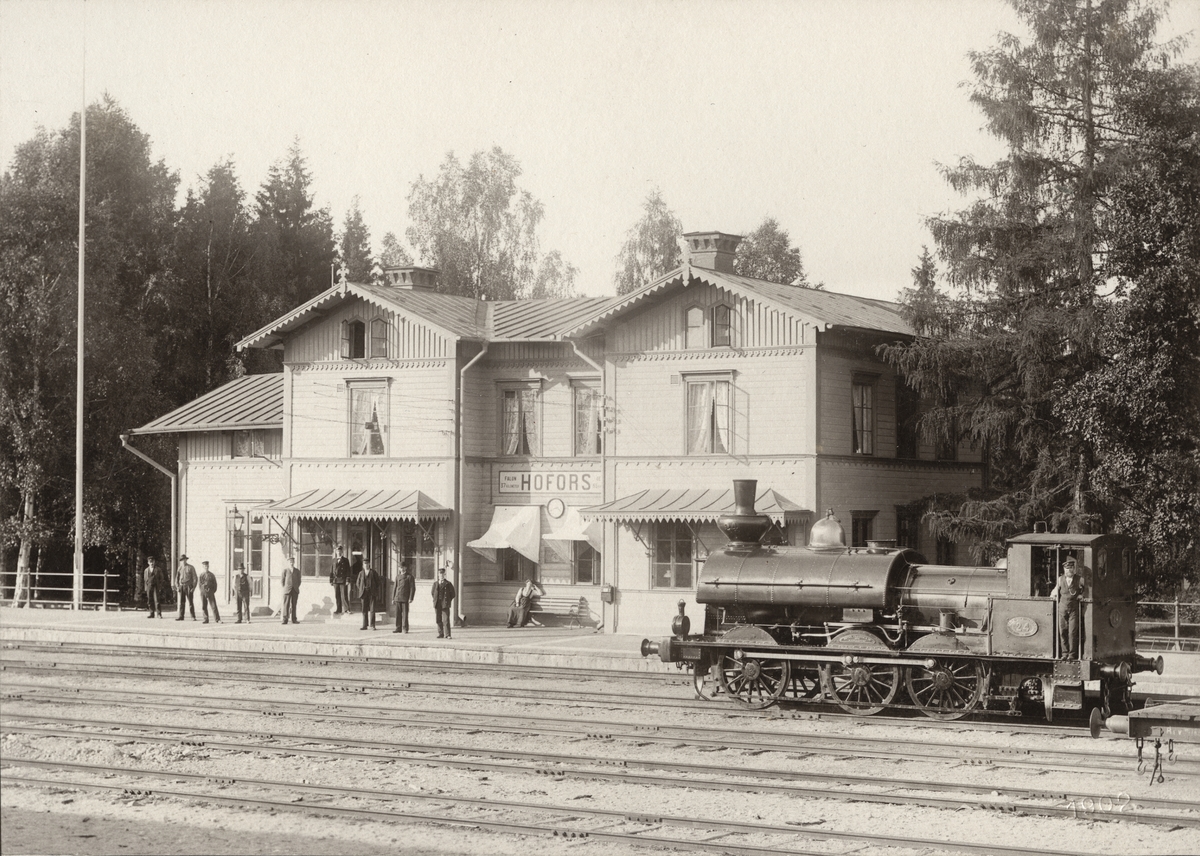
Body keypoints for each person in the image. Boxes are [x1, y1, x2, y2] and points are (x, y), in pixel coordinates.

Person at [1050, 556, 1087, 658]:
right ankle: (1064, 653)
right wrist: (1053, 595)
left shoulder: (1080, 579)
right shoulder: (1060, 579)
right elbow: (1055, 591)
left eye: (1070, 568)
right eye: (1067, 569)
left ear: (1073, 569)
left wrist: (1082, 595)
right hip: (1062, 608)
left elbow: (1087, 590)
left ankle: (1072, 654)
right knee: (1062, 631)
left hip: (1074, 609)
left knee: (1072, 632)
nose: (1069, 570)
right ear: (1064, 570)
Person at [431, 566, 456, 638]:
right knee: (438, 619)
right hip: (437, 603)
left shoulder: (448, 583)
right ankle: (440, 633)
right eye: (440, 574)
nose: (441, 575)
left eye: (443, 574)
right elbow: (433, 593)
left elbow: (453, 594)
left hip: (445, 604)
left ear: (445, 575)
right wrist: (436, 599)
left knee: (446, 620)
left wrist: (447, 600)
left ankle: (447, 634)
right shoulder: (435, 584)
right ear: (438, 575)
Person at [392, 558, 415, 633]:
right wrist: (393, 598)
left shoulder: (409, 577)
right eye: (400, 567)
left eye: (402, 567)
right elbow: (395, 587)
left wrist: (411, 598)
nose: (401, 569)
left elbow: (412, 588)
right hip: (398, 597)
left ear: (405, 568)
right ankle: (398, 628)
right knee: (398, 614)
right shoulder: (397, 576)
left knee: (405, 614)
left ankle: (405, 628)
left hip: (405, 598)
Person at [174, 554, 197, 621]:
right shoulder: (179, 568)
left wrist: (193, 587)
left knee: (190, 602)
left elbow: (195, 578)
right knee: (181, 602)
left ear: (186, 560)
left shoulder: (191, 567)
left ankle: (193, 616)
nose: (183, 561)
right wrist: (177, 586)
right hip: (182, 586)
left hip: (189, 586)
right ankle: (181, 616)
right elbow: (177, 578)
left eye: (184, 560)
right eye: (181, 560)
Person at [330, 545, 351, 615]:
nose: (338, 552)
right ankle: (338, 609)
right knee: (337, 595)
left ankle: (347, 609)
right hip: (335, 580)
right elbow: (331, 571)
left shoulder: (345, 560)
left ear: (342, 552)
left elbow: (348, 570)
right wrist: (331, 580)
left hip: (343, 580)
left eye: (340, 551)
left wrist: (347, 580)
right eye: (337, 551)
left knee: (344, 595)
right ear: (336, 552)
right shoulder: (333, 560)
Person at [358, 562, 379, 629]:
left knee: (372, 609)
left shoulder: (373, 572)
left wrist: (373, 588)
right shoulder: (361, 573)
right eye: (364, 564)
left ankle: (372, 625)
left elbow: (378, 582)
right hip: (364, 593)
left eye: (367, 564)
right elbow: (358, 583)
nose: (366, 565)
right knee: (364, 609)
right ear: (363, 565)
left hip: (372, 593)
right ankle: (364, 625)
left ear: (369, 564)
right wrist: (362, 589)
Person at [281, 558, 301, 625]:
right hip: (287, 590)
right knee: (286, 604)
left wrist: (296, 586)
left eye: (292, 562)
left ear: (294, 562)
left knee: (294, 605)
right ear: (288, 563)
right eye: (290, 562)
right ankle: (285, 619)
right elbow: (282, 581)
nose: (291, 563)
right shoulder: (285, 571)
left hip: (295, 590)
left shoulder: (297, 571)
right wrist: (286, 587)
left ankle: (294, 619)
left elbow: (299, 581)